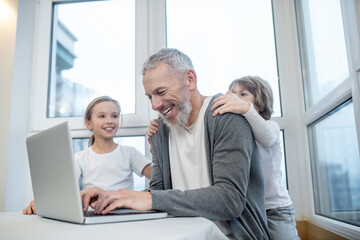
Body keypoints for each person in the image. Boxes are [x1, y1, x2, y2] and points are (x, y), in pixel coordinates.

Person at [80, 48, 270, 240]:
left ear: (189, 79)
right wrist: (114, 198)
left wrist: (149, 198)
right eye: (149, 97)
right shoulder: (161, 129)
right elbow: (158, 195)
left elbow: (230, 200)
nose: (155, 105)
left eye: (161, 92)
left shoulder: (226, 116)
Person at [23, 96, 152, 215]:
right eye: (102, 116)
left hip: (124, 214)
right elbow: (64, 188)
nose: (110, 121)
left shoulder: (129, 153)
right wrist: (43, 202)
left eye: (114, 116)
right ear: (88, 123)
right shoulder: (80, 157)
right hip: (93, 214)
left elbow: (157, 177)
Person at [209, 76, 300, 240]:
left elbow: (267, 138)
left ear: (260, 100)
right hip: (250, 210)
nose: (236, 98)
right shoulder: (236, 132)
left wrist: (245, 109)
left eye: (243, 94)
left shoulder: (270, 126)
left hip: (275, 208)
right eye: (234, 93)